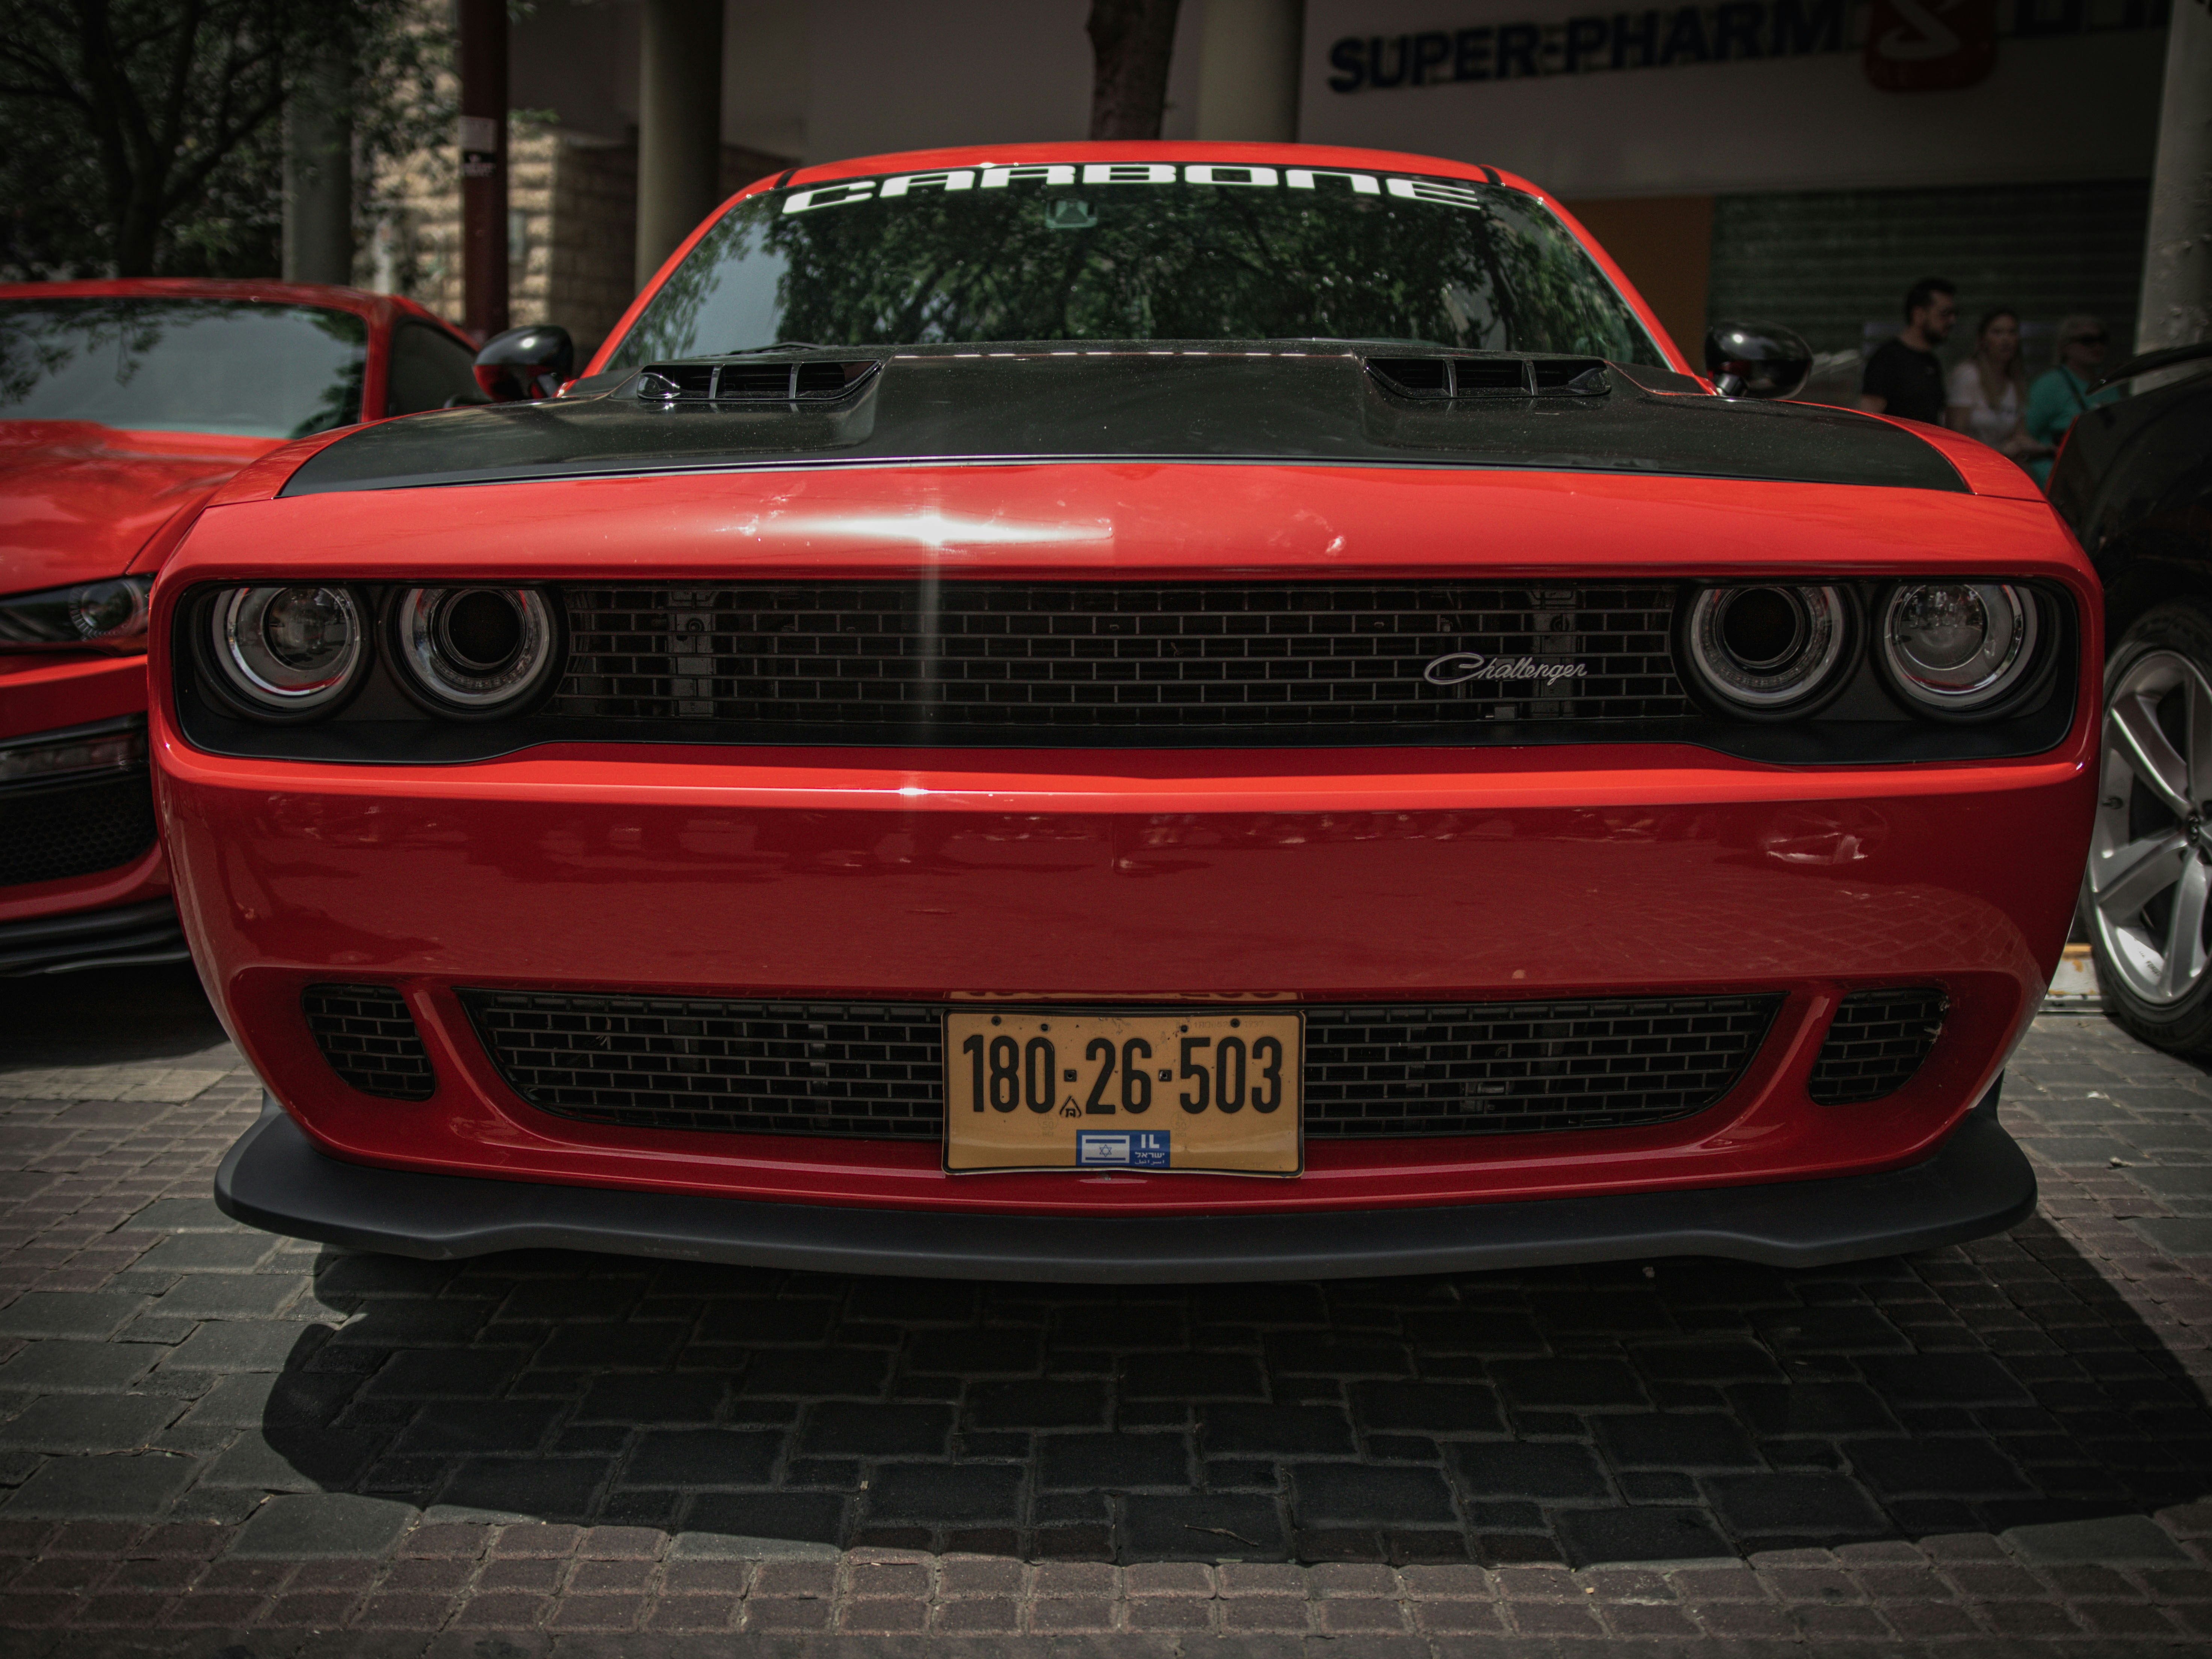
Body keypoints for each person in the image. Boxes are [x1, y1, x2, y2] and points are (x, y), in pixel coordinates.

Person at [2025, 315, 2122, 487]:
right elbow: (2025, 433)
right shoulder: (2050, 385)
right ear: (2066, 347)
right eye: (2087, 340)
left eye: (2102, 340)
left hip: (2099, 477)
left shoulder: (2109, 384)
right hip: (2057, 479)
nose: (2097, 346)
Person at [1945, 307, 2049, 465]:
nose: (2006, 340)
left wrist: (2046, 449)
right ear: (1983, 339)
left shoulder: (2016, 380)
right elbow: (1956, 433)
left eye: (2012, 332)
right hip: (1970, 463)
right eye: (1997, 332)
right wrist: (1999, 450)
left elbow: (2020, 436)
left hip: (2002, 465)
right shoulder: (1968, 375)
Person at [1859, 277, 1956, 423]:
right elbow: (1868, 416)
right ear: (1919, 314)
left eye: (1953, 314)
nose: (1952, 321)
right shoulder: (1888, 359)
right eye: (1944, 314)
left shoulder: (1932, 362)